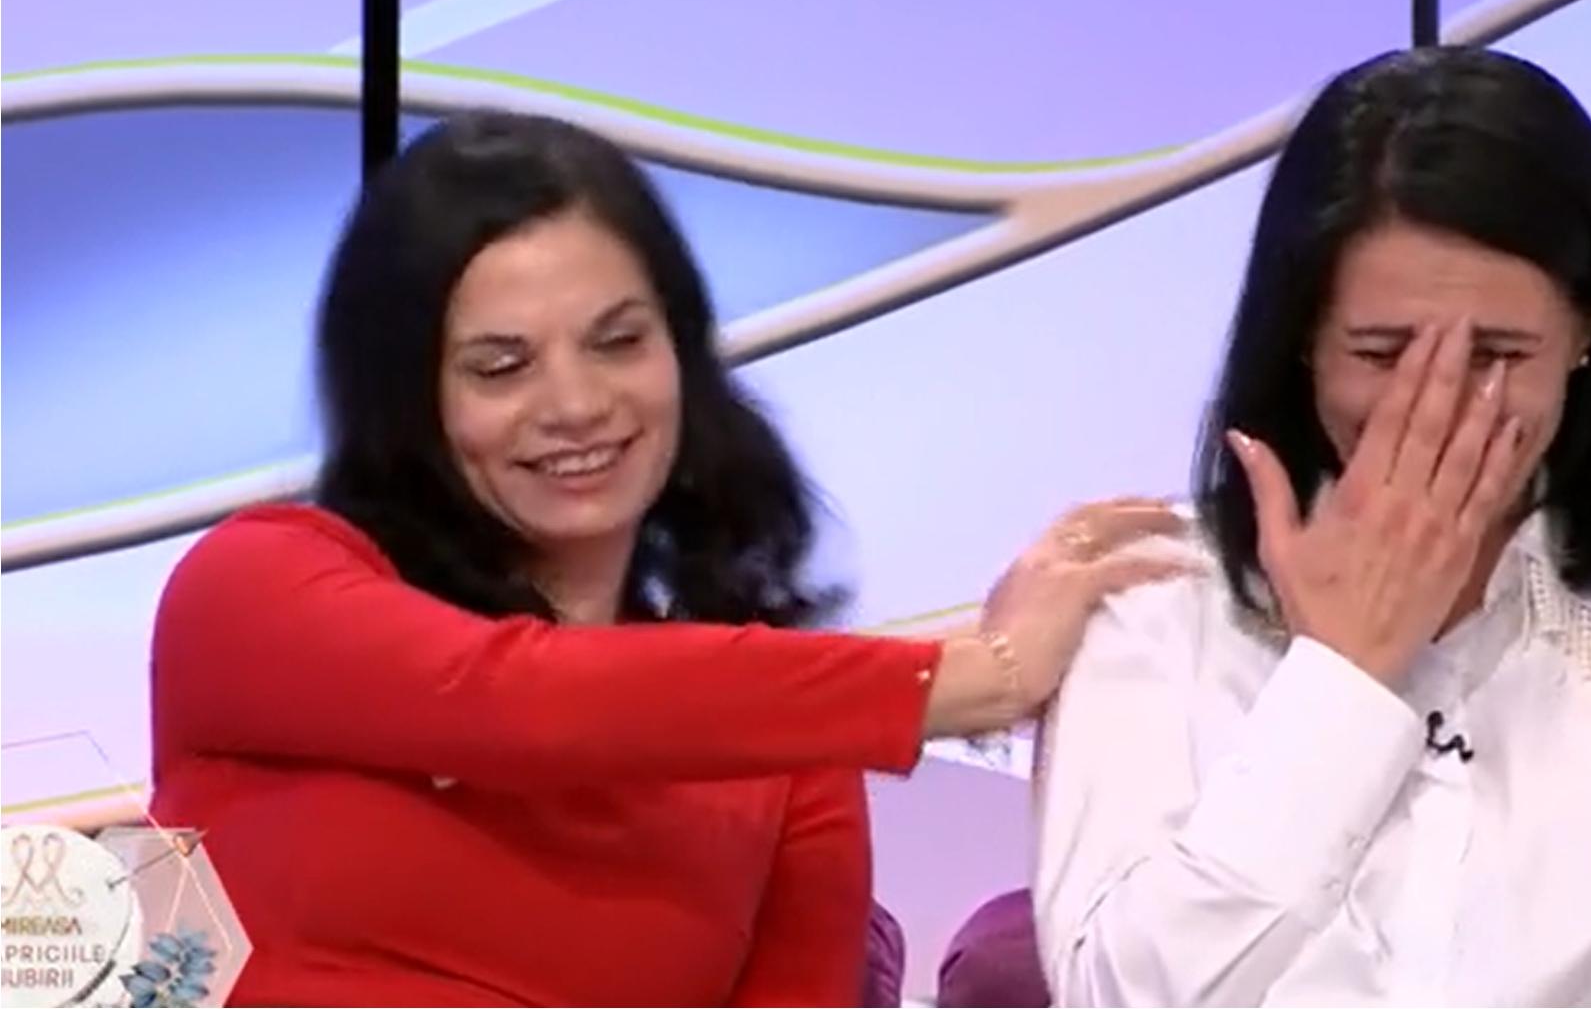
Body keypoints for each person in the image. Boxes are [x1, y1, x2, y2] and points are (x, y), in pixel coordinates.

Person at [148, 112, 1189, 1007]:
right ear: (409, 400)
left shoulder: (786, 753)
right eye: (501, 366)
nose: (575, 404)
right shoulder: (254, 588)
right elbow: (517, 701)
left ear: (683, 353)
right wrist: (974, 680)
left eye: (619, 342)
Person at [1031, 46, 1591, 1007]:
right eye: (1383, 355)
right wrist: (1340, 682)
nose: (1441, 408)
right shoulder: (1148, 600)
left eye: (1499, 355)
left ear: (1589, 327)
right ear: (1302, 335)